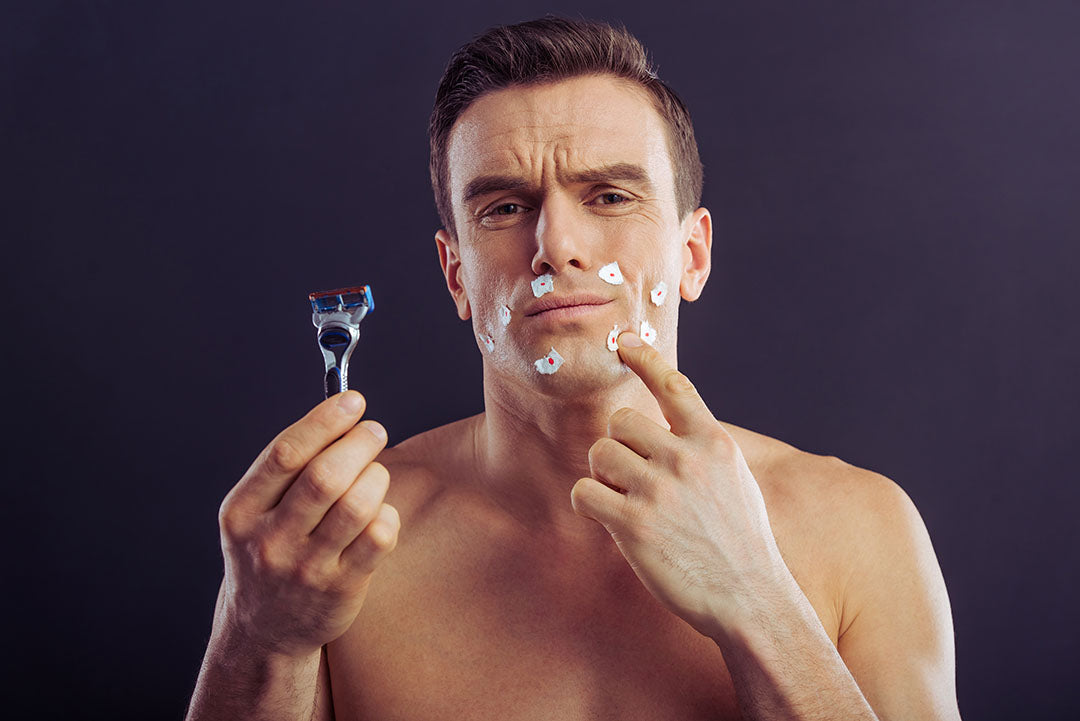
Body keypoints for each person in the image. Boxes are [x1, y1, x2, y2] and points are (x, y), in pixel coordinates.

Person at [185, 17, 961, 721]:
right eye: (504, 208)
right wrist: (258, 636)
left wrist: (758, 599)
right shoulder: (334, 551)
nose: (555, 245)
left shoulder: (860, 529)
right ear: (456, 276)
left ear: (692, 254)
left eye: (610, 196)